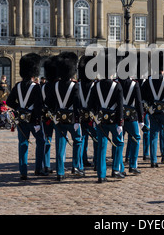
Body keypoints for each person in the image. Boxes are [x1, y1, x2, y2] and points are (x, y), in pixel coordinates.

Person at [6, 53, 46, 180]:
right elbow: (39, 106)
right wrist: (37, 119)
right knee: (41, 142)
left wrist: (19, 108)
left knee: (23, 144)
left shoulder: (17, 86)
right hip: (34, 121)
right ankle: (38, 169)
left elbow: (9, 102)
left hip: (21, 119)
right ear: (34, 73)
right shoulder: (36, 87)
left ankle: (23, 171)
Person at [88, 48, 125, 183]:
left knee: (102, 147)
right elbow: (120, 106)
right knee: (119, 144)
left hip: (101, 121)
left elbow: (90, 106)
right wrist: (120, 122)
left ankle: (101, 174)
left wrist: (96, 117)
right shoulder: (117, 86)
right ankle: (116, 170)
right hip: (115, 120)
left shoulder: (95, 85)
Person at [49, 52, 84, 181]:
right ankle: (75, 166)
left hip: (59, 118)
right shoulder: (75, 86)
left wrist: (54, 113)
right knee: (78, 142)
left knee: (60, 146)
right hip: (72, 119)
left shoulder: (55, 85)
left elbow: (49, 101)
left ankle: (60, 172)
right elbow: (77, 103)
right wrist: (77, 120)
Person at [142, 52, 164, 168]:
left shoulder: (149, 80)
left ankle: (153, 160)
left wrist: (148, 108)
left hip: (152, 111)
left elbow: (143, 97)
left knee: (153, 135)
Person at [117, 51, 144, 175]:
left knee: (119, 142)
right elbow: (138, 103)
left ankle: (119, 166)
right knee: (136, 139)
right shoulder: (134, 84)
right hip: (132, 117)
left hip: (118, 117)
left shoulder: (116, 83)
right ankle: (132, 165)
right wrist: (141, 119)